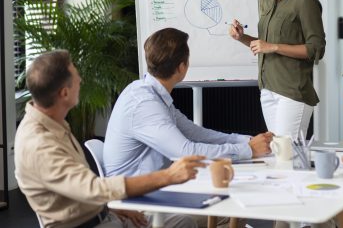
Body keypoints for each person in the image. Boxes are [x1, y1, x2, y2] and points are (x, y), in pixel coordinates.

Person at [14, 50, 206, 228]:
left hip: (105, 215)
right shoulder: (39, 144)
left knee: (183, 221)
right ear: (64, 93)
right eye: (76, 76)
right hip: (91, 225)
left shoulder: (53, 123)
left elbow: (74, 190)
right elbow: (92, 188)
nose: (80, 80)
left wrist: (111, 208)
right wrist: (168, 176)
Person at [103, 27, 272, 178]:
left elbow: (195, 133)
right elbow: (185, 152)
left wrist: (246, 141)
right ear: (182, 67)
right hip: (136, 201)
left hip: (151, 188)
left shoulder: (152, 94)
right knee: (222, 197)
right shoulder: (144, 104)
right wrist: (248, 150)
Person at [229, 0, 326, 139]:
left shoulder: (306, 1)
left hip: (293, 92)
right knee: (276, 155)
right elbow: (263, 44)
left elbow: (316, 48)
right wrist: (242, 37)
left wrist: (273, 47)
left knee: (287, 156)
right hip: (268, 89)